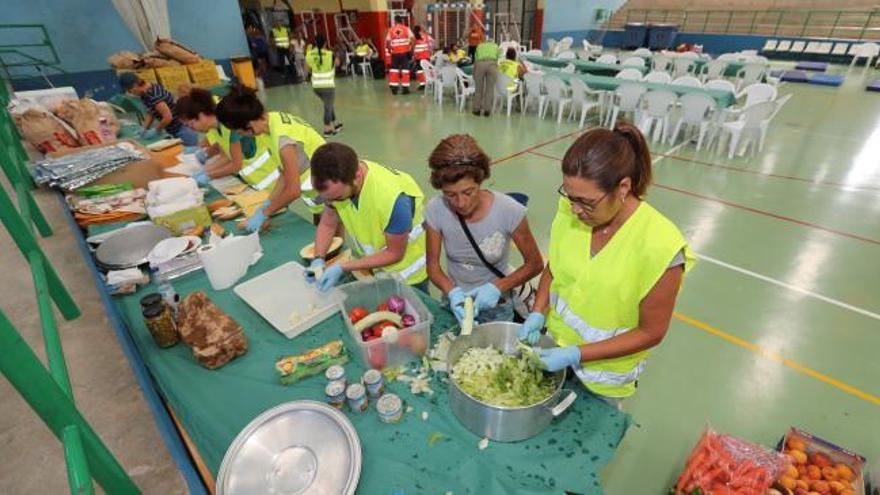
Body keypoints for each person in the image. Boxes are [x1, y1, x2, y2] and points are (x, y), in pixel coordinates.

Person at [519, 123, 695, 404]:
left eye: (587, 202)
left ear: (623, 187)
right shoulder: (572, 209)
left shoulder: (661, 247)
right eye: (569, 196)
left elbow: (651, 332)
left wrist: (577, 353)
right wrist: (538, 312)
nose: (575, 209)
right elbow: (556, 267)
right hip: (553, 352)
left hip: (603, 380)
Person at [424, 134, 543, 324]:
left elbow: (535, 264)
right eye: (450, 195)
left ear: (480, 181)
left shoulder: (509, 210)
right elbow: (433, 267)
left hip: (496, 305)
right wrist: (452, 292)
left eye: (468, 192)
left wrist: (498, 287)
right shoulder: (435, 209)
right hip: (455, 304)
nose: (461, 203)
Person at [305, 142, 428, 292]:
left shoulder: (393, 200)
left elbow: (394, 253)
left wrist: (343, 267)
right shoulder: (340, 182)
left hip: (408, 274)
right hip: (375, 265)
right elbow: (328, 222)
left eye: (337, 197)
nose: (331, 202)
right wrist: (318, 258)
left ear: (356, 176)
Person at [216, 86, 327, 232]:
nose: (241, 136)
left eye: (239, 131)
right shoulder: (271, 122)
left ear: (249, 125)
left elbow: (293, 191)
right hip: (316, 189)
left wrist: (264, 213)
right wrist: (267, 204)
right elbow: (284, 172)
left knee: (332, 232)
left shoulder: (283, 140)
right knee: (321, 228)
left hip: (328, 184)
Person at [175, 88, 256, 187]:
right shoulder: (214, 125)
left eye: (191, 125)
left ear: (201, 116)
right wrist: (204, 170)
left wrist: (209, 175)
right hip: (248, 170)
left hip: (258, 170)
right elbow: (224, 153)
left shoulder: (229, 124)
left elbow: (236, 164)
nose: (192, 130)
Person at [118, 72, 198, 146]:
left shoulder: (153, 95)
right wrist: (144, 128)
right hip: (173, 129)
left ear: (135, 86)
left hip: (182, 129)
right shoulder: (145, 92)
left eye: (130, 91)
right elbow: (151, 111)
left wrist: (155, 130)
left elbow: (168, 117)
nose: (131, 93)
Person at [305, 34, 344, 137]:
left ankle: (336, 124)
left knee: (328, 105)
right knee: (327, 107)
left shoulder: (309, 54)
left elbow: (307, 69)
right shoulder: (329, 54)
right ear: (325, 43)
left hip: (316, 87)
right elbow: (338, 63)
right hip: (328, 86)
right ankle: (327, 130)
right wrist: (337, 54)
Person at [385, 16, 414, 94]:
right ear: (401, 21)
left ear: (395, 21)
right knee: (405, 70)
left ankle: (394, 87)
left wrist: (389, 50)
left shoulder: (391, 30)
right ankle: (405, 88)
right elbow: (412, 39)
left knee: (394, 70)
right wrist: (411, 49)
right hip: (405, 53)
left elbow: (387, 42)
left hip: (395, 54)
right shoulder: (406, 28)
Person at [472, 37, 500, 117]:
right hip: (492, 64)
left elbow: (475, 60)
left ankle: (476, 110)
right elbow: (498, 58)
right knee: (490, 89)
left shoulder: (479, 46)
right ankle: (487, 110)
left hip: (480, 64)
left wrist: (474, 73)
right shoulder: (495, 46)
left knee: (478, 88)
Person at [411, 25, 433, 90]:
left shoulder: (414, 37)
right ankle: (430, 83)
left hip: (419, 56)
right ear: (420, 29)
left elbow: (412, 47)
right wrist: (430, 52)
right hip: (426, 55)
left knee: (419, 70)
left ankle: (422, 84)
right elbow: (431, 43)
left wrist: (413, 55)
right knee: (427, 69)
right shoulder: (426, 35)